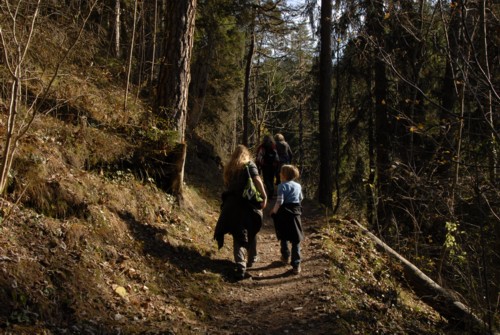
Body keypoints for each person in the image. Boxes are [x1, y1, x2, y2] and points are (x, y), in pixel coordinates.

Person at [214, 145, 268, 280]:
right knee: (248, 229)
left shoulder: (230, 168)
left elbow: (227, 185)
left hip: (231, 204)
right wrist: (264, 196)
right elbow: (257, 180)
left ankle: (245, 260)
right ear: (246, 154)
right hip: (247, 204)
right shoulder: (249, 165)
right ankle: (245, 263)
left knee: (238, 232)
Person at [270, 164, 304, 275]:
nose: (279, 174)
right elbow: (301, 198)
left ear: (284, 175)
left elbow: (280, 201)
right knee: (296, 239)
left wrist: (274, 211)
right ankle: (296, 264)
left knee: (283, 235)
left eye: (281, 172)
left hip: (283, 213)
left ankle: (285, 256)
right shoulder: (298, 186)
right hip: (295, 213)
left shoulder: (281, 186)